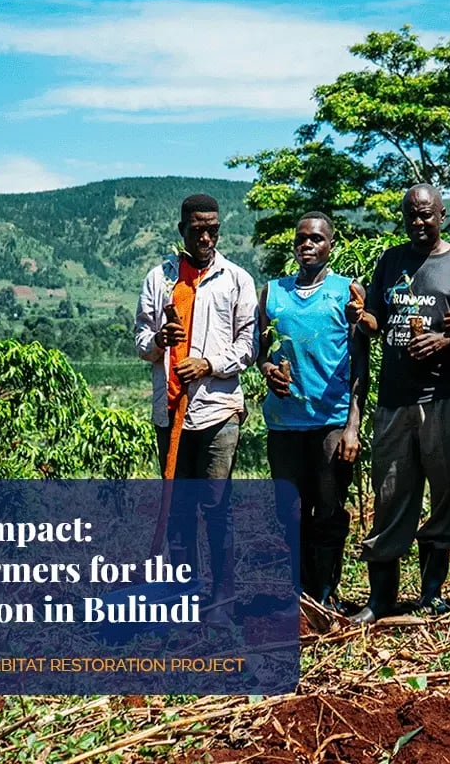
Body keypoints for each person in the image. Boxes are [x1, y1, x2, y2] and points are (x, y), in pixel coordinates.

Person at [347, 184, 450, 623]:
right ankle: (381, 599)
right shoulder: (390, 261)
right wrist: (364, 319)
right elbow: (377, 322)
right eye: (411, 215)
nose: (419, 222)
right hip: (395, 400)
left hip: (448, 398)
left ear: (442, 214)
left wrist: (445, 340)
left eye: (427, 215)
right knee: (389, 496)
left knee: (446, 496)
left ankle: (431, 595)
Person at [134, 193, 258, 627]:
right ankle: (184, 592)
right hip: (170, 413)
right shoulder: (160, 279)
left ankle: (222, 597)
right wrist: (159, 343)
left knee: (216, 504)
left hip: (217, 408)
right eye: (197, 229)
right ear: (181, 230)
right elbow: (140, 340)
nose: (206, 237)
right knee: (178, 506)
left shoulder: (235, 279)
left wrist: (208, 364)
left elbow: (248, 345)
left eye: (213, 229)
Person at [257, 211, 369, 612]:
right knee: (288, 509)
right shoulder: (273, 293)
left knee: (328, 508)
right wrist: (270, 370)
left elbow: (360, 363)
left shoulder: (346, 291)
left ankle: (326, 590)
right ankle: (297, 591)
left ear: (330, 246)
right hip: (284, 421)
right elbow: (259, 352)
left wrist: (352, 426)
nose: (308, 244)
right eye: (302, 238)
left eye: (317, 239)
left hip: (330, 420)